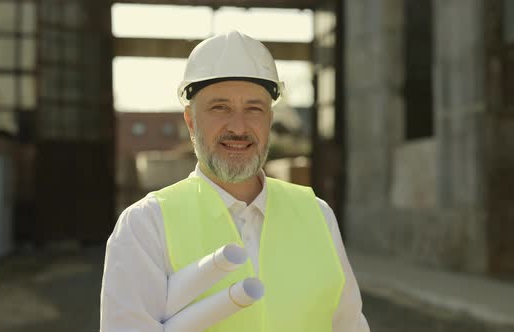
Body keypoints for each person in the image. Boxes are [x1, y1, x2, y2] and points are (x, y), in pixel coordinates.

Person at [100, 30, 370, 332]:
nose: (238, 127)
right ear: (190, 120)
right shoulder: (145, 226)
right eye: (220, 107)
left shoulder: (318, 216)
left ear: (269, 118)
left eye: (253, 108)